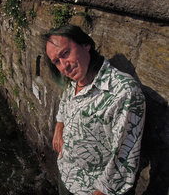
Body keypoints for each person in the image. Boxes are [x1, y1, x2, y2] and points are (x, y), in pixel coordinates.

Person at [43, 25, 146, 195]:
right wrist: (60, 123)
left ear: (86, 45)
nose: (63, 67)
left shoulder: (123, 92)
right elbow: (67, 99)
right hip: (67, 175)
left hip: (91, 190)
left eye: (65, 53)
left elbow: (124, 157)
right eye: (56, 62)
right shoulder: (76, 79)